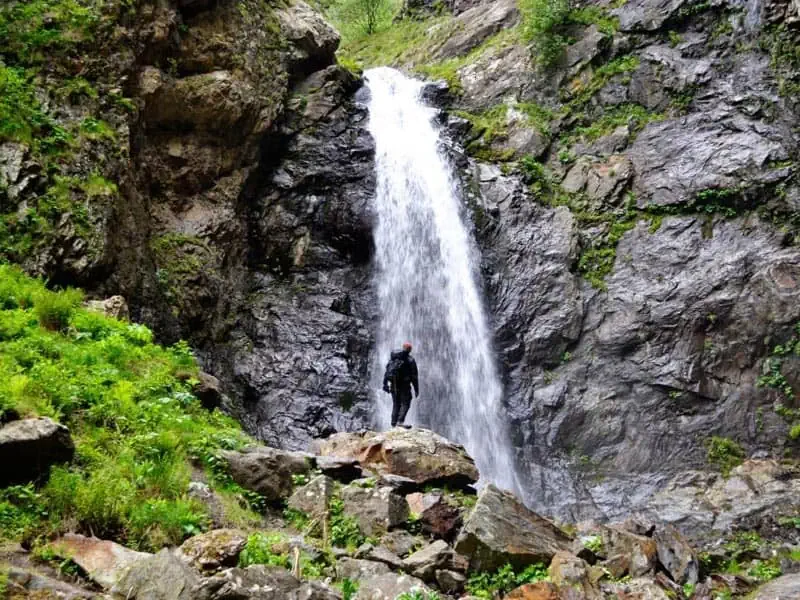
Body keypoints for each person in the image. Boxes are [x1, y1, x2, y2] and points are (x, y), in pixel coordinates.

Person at [382, 341, 419, 428]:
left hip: (393, 384)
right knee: (406, 403)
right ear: (410, 350)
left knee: (396, 404)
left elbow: (387, 372)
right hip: (404, 386)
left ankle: (393, 423)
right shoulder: (410, 360)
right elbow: (414, 377)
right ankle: (400, 422)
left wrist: (385, 384)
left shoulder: (393, 358)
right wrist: (416, 389)